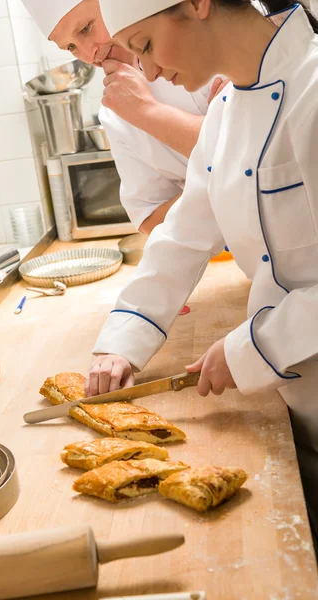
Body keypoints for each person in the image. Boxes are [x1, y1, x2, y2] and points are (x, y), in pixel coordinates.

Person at [88, 0, 318, 548]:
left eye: (144, 45)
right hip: (300, 400)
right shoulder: (226, 111)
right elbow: (184, 233)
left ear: (197, 4)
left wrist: (250, 346)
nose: (145, 72)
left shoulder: (312, 85)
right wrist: (123, 340)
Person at [22, 0, 224, 234]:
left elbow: (250, 147)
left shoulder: (204, 34)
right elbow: (150, 220)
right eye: (71, 47)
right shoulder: (114, 110)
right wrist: (220, 180)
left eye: (86, 28)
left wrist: (145, 111)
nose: (89, 55)